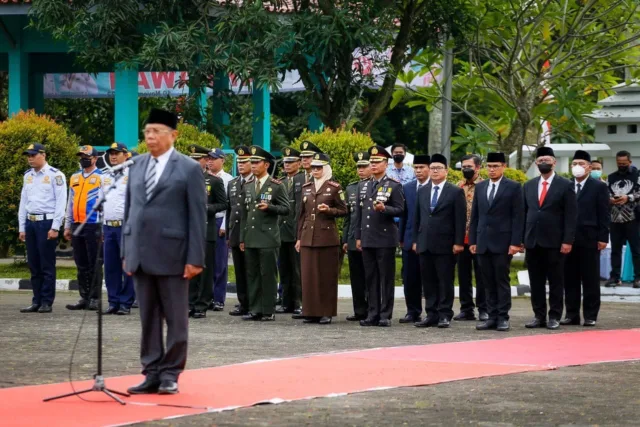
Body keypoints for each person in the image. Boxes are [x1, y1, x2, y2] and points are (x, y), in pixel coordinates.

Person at [124, 108, 206, 395]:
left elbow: (197, 216)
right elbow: (129, 211)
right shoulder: (135, 165)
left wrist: (195, 257)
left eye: (156, 131)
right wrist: (127, 248)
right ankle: (151, 372)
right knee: (147, 318)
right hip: (141, 254)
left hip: (174, 254)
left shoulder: (189, 168)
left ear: (173, 135)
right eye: (147, 131)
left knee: (175, 318)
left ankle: (171, 373)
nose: (150, 137)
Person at [523, 146, 577, 330]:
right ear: (536, 163)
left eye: (547, 160)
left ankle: (554, 316)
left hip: (555, 242)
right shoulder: (529, 185)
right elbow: (525, 213)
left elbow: (571, 216)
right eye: (540, 160)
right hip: (533, 241)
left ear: (554, 162)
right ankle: (539, 316)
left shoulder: (566, 185)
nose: (543, 163)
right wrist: (522, 239)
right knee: (535, 282)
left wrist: (567, 240)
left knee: (555, 281)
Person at [469, 152, 524, 332]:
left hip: (503, 241)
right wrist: (473, 240)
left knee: (501, 280)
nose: (492, 170)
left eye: (496, 166)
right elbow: (476, 216)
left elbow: (518, 217)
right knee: (486, 281)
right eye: (489, 166)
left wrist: (516, 242)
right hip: (483, 241)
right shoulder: (481, 187)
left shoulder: (514, 187)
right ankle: (491, 316)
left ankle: (502, 317)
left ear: (504, 167)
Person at [412, 154, 466, 329]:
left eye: (439, 168)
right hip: (425, 243)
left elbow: (460, 219)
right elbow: (418, 218)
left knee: (444, 281)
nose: (435, 171)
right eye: (433, 168)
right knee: (428, 281)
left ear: (446, 170)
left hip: (446, 245)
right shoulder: (423, 191)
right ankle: (431, 314)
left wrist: (458, 242)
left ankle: (444, 314)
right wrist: (416, 240)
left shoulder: (455, 191)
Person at [355, 145, 405, 327]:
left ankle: (385, 314)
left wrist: (385, 209)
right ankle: (372, 313)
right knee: (371, 278)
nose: (374, 165)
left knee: (385, 278)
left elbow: (400, 209)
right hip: (368, 237)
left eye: (377, 162)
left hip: (384, 238)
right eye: (372, 162)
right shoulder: (365, 185)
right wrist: (359, 236)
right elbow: (360, 214)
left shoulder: (393, 185)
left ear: (386, 163)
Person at [296, 153, 347, 324]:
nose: (315, 170)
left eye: (319, 168)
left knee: (326, 276)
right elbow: (301, 215)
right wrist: (298, 238)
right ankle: (310, 311)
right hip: (307, 237)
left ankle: (326, 312)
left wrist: (329, 211)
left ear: (326, 169)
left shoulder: (334, 187)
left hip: (326, 237)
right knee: (308, 276)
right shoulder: (307, 187)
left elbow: (344, 210)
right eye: (313, 167)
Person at [240, 146, 290, 321]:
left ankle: (268, 310)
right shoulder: (247, 185)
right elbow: (244, 215)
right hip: (251, 237)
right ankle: (255, 309)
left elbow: (286, 209)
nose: (252, 165)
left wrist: (270, 207)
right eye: (251, 162)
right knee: (252, 274)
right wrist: (242, 238)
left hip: (268, 237)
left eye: (256, 162)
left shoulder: (276, 185)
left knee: (267, 275)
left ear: (266, 165)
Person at [561, 150, 610, 327]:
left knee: (590, 278)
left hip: (590, 237)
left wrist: (603, 237)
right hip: (568, 239)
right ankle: (572, 314)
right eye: (574, 164)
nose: (577, 167)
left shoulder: (599, 186)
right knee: (570, 278)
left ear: (589, 167)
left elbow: (604, 213)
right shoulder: (566, 185)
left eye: (581, 164)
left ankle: (590, 315)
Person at [18, 143, 67, 314]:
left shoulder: (56, 175)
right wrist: (21, 226)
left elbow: (61, 203)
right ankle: (36, 300)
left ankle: (46, 301)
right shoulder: (28, 176)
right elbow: (24, 202)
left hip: (46, 223)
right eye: (28, 155)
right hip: (31, 223)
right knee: (34, 264)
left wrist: (55, 227)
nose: (30, 158)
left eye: (33, 155)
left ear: (43, 155)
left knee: (47, 264)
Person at [187, 144, 227, 319]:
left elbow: (224, 204)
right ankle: (189, 303)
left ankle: (202, 304)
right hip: (189, 230)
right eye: (192, 159)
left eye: (198, 159)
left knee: (205, 269)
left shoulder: (214, 181)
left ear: (205, 161)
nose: (195, 162)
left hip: (206, 228)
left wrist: (208, 208)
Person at [64, 145, 104, 311]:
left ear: (95, 159)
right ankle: (84, 297)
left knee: (94, 263)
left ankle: (95, 298)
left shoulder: (102, 177)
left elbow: (104, 204)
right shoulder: (74, 178)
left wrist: (103, 227)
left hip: (93, 224)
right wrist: (67, 225)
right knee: (80, 263)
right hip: (77, 224)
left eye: (86, 156)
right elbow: (70, 203)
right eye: (81, 156)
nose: (83, 159)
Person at [102, 142, 135, 315]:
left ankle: (125, 303)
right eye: (111, 153)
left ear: (126, 155)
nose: (113, 156)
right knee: (110, 266)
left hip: (125, 227)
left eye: (117, 153)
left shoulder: (133, 176)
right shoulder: (105, 176)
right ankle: (113, 301)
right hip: (108, 227)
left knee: (127, 266)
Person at [398, 154, 430, 324]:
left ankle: (433, 311)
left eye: (422, 168)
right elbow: (404, 214)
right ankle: (412, 311)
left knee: (430, 278)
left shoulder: (435, 187)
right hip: (409, 239)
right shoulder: (408, 188)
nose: (418, 171)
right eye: (416, 168)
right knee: (410, 278)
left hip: (429, 240)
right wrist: (401, 237)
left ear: (429, 169)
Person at [455, 154, 487, 322]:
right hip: (462, 238)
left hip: (480, 238)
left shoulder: (484, 186)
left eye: (469, 166)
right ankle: (466, 308)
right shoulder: (458, 187)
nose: (466, 169)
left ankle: (484, 308)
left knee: (482, 275)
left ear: (478, 167)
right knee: (463, 275)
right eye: (463, 166)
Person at [342, 151, 372, 321]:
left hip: (369, 237)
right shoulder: (351, 187)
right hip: (354, 237)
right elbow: (349, 215)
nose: (360, 170)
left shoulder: (376, 185)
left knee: (371, 276)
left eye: (364, 166)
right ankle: (359, 310)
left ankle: (372, 309)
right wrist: (345, 239)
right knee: (356, 277)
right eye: (358, 167)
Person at [605, 151, 640, 288]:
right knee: (615, 250)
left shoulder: (637, 175)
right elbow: (605, 192)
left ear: (630, 162)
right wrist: (610, 199)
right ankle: (615, 277)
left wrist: (628, 197)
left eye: (624, 164)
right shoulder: (611, 177)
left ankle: (638, 278)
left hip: (632, 217)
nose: (622, 166)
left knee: (636, 249)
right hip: (614, 218)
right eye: (619, 164)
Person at [227, 145, 253, 316]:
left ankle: (253, 303)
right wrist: (230, 232)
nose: (241, 165)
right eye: (239, 162)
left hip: (250, 233)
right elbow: (230, 209)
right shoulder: (233, 183)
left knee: (251, 270)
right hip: (236, 232)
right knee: (239, 271)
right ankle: (243, 302)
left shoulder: (254, 183)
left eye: (245, 162)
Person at [277, 147, 303, 315]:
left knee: (297, 270)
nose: (287, 165)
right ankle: (286, 302)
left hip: (296, 231)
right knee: (284, 269)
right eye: (285, 162)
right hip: (282, 231)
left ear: (299, 163)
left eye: (291, 162)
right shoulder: (281, 182)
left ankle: (299, 302)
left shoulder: (303, 180)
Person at [207, 148, 233, 311]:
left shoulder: (228, 179)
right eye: (208, 158)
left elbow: (229, 205)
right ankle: (207, 296)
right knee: (206, 262)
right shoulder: (204, 178)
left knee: (220, 263)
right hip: (205, 222)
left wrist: (224, 225)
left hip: (219, 221)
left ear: (222, 160)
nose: (210, 161)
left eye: (214, 158)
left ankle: (218, 298)